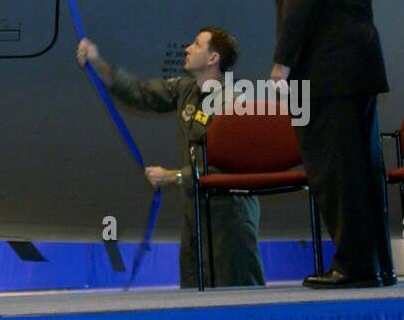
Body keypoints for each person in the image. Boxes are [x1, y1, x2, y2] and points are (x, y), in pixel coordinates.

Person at [275, 0, 393, 288]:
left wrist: (283, 62)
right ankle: (375, 263)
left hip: (326, 68)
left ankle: (353, 265)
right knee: (361, 166)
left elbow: (300, 3)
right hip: (356, 64)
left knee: (334, 169)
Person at [77, 30, 265, 289]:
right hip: (195, 210)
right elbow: (141, 93)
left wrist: (174, 176)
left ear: (213, 59)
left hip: (230, 213)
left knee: (237, 290)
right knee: (194, 289)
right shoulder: (185, 89)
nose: (188, 48)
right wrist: (98, 63)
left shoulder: (234, 101)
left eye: (197, 44)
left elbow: (229, 165)